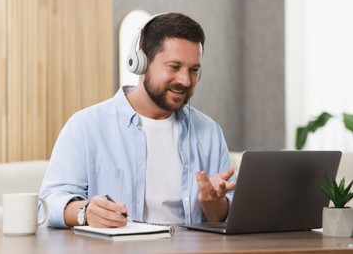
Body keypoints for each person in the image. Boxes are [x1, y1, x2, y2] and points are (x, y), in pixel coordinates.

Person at [39, 12, 236, 229]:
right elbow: (49, 203)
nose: (185, 80)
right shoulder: (86, 126)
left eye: (194, 70)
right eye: (174, 67)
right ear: (140, 63)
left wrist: (214, 203)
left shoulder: (209, 132)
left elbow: (226, 216)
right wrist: (86, 212)